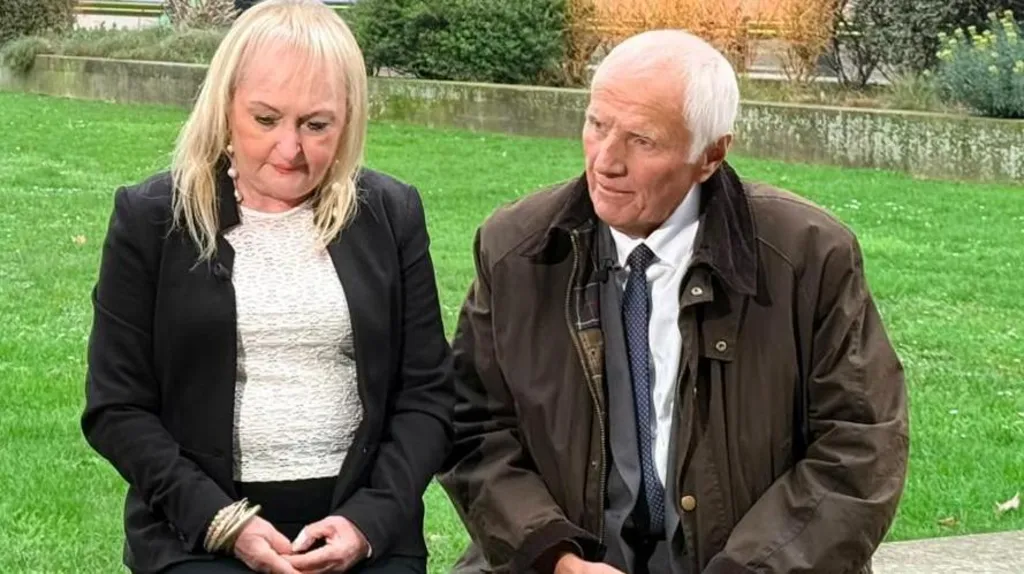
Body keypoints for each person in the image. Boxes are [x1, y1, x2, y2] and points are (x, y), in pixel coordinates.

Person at [438, 29, 909, 574]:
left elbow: (860, 447)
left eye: (642, 141)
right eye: (597, 125)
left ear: (710, 155)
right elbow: (471, 427)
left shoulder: (809, 257)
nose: (606, 162)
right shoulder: (515, 250)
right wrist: (554, 557)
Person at [81, 1, 454, 573]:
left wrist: (368, 522)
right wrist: (222, 523)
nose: (290, 149)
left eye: (316, 125)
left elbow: (427, 395)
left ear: (349, 121)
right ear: (226, 107)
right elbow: (116, 407)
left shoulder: (391, 214)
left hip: (364, 525)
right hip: (195, 530)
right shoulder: (151, 218)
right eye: (265, 119)